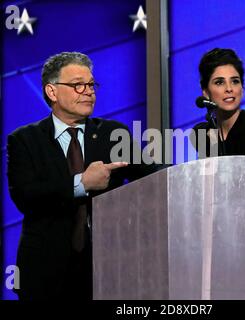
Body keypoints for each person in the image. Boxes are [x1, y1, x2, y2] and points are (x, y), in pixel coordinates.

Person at [7, 52, 159, 300]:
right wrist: (81, 184)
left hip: (107, 270)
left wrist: (196, 171)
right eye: (78, 85)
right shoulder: (24, 140)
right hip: (45, 274)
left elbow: (151, 173)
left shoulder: (112, 134)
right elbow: (26, 196)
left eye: (91, 85)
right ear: (52, 92)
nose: (88, 91)